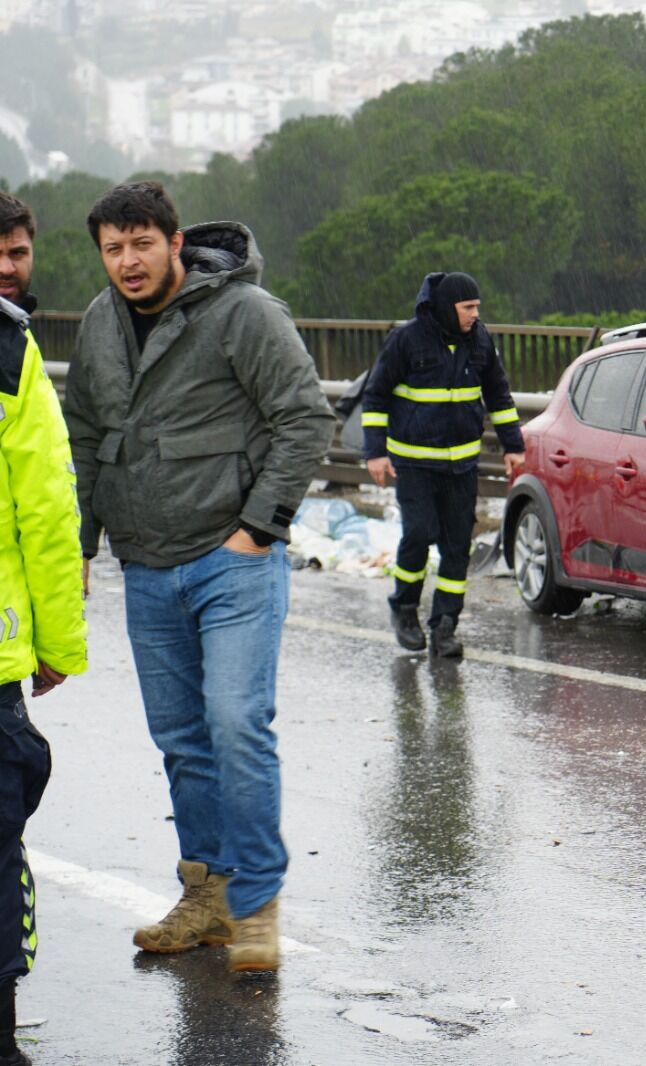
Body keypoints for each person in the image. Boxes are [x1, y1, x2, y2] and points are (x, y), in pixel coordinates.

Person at [62, 181, 334, 974]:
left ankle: (254, 907)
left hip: (230, 559)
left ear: (175, 243)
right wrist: (80, 543)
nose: (128, 262)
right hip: (146, 563)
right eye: (113, 248)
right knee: (182, 740)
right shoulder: (99, 321)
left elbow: (305, 417)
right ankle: (205, 896)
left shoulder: (244, 313)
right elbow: (83, 436)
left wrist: (259, 529)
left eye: (142, 243)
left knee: (235, 725)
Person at [0, 191, 87, 1066]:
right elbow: (46, 510)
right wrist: (58, 643)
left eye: (17, 252)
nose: (7, 268)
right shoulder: (10, 352)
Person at [361, 272, 523, 657]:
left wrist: (512, 445)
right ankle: (404, 608)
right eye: (468, 308)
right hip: (415, 465)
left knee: (456, 546)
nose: (475, 315)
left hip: (462, 467)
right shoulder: (406, 340)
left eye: (477, 307)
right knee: (417, 535)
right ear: (448, 307)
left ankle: (445, 626)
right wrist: (376, 453)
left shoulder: (481, 340)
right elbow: (376, 397)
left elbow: (499, 395)